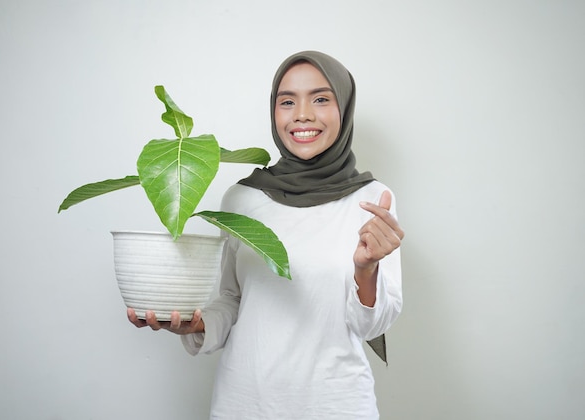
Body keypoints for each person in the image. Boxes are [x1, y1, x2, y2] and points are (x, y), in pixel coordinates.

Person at [128, 50, 404, 419]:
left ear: (345, 108)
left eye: (321, 99)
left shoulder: (371, 199)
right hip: (244, 403)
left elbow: (371, 325)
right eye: (287, 101)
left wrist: (366, 270)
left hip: (336, 405)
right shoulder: (242, 198)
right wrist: (198, 322)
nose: (302, 114)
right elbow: (232, 299)